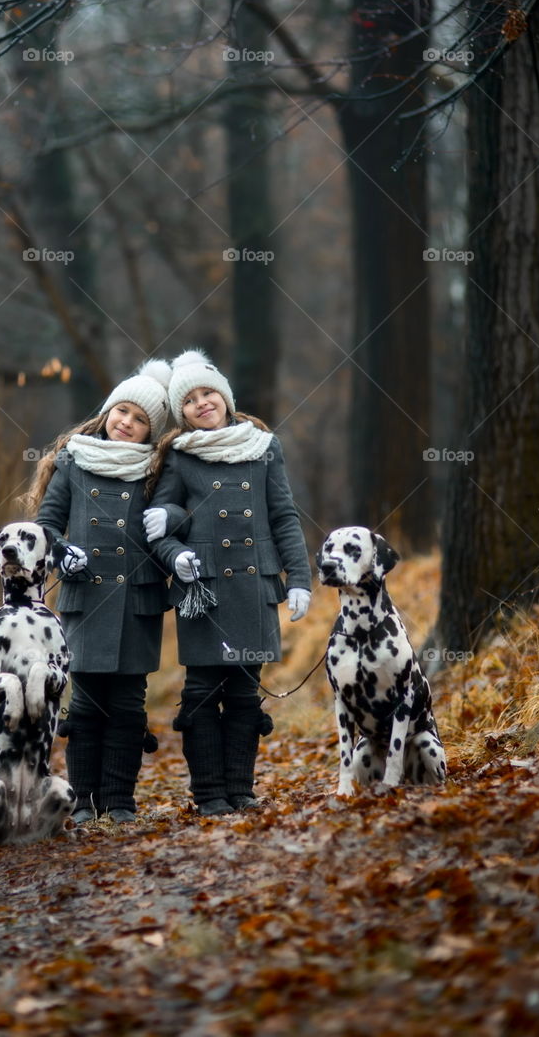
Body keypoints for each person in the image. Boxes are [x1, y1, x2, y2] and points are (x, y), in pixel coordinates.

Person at [145, 349, 311, 816]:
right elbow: (158, 528)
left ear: (224, 396)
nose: (202, 403)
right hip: (205, 592)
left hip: (254, 587)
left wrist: (298, 578)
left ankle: (240, 790)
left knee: (243, 693)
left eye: (207, 393)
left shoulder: (264, 447)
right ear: (182, 414)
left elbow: (284, 516)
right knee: (200, 694)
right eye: (190, 400)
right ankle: (209, 795)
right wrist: (177, 559)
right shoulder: (178, 456)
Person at [26, 360, 188, 825]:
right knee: (85, 704)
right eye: (122, 412)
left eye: (140, 421)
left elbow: (177, 515)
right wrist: (60, 552)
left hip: (137, 600)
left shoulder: (157, 468)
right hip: (85, 598)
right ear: (107, 411)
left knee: (127, 706)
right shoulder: (74, 461)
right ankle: (81, 803)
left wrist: (172, 520)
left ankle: (119, 802)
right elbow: (46, 524)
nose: (127, 423)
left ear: (148, 432)